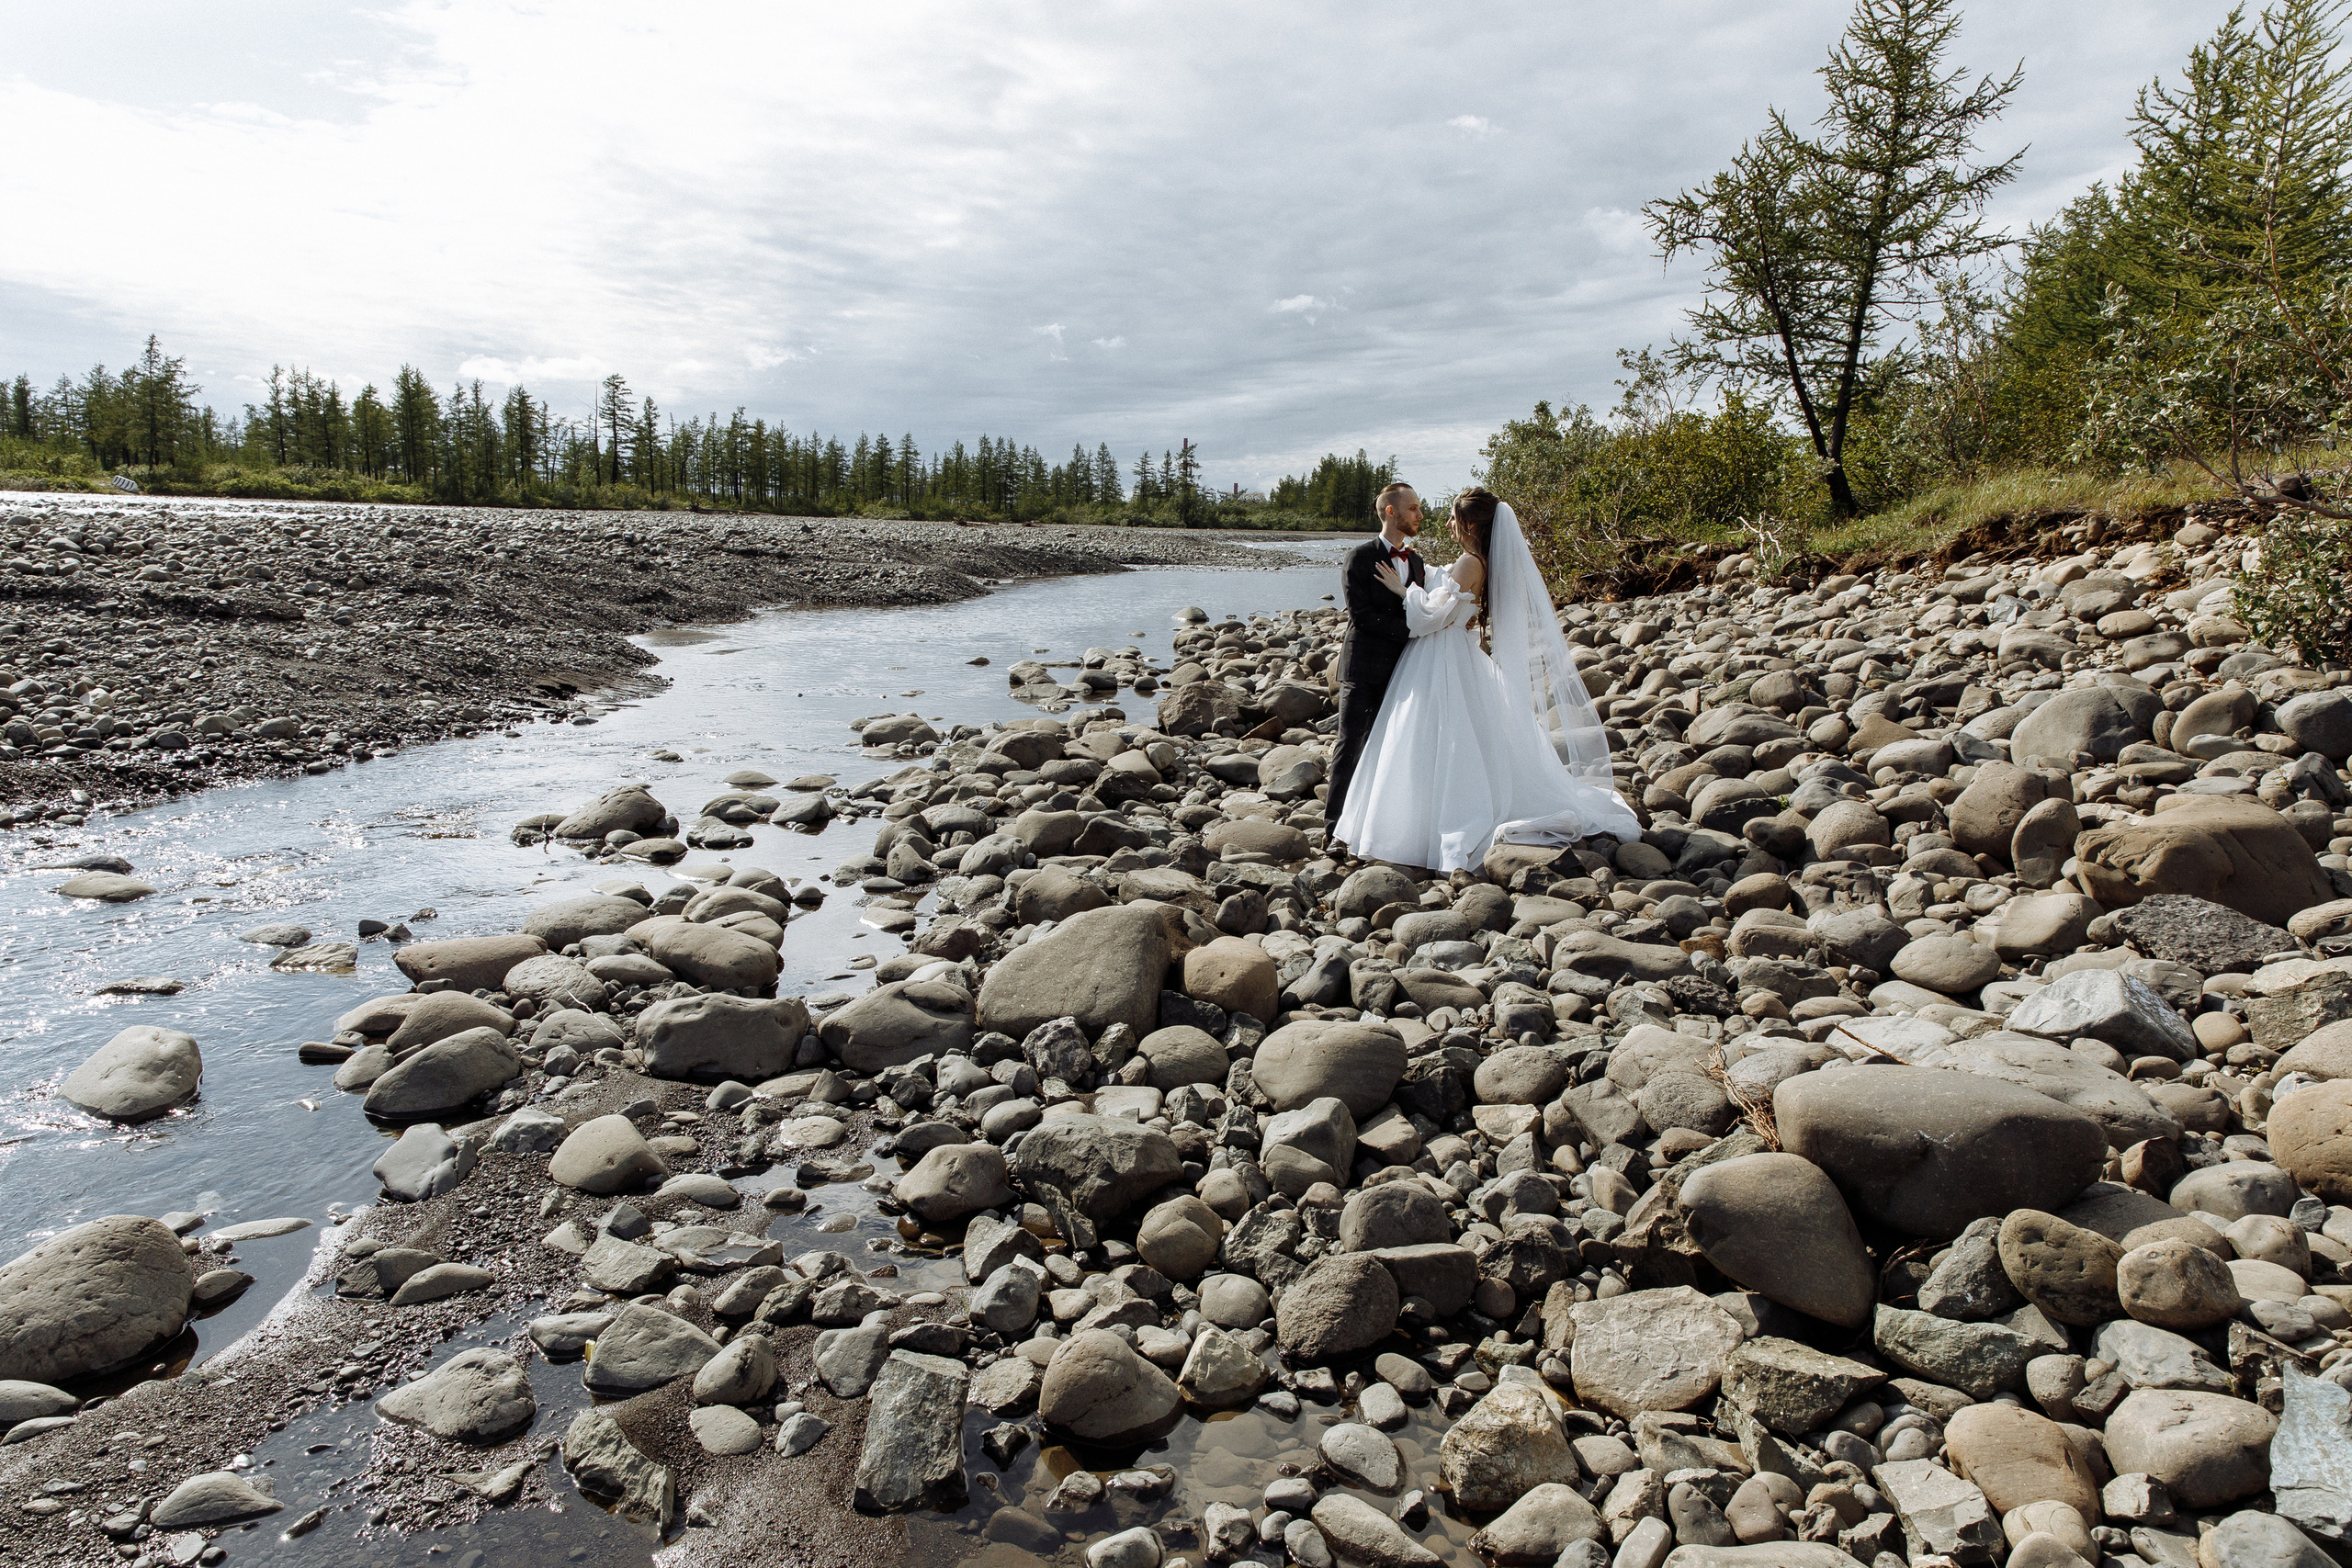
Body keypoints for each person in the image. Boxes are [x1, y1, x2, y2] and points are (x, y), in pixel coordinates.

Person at [1330, 487, 1638, 872]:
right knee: (1443, 737)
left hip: (1441, 657)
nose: (1444, 522)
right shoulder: (1474, 561)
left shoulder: (1469, 562)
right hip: (1441, 654)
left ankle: (1418, 825)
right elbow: (1449, 608)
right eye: (1416, 508)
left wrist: (1403, 589)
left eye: (1453, 517)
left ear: (1470, 524)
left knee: (1435, 740)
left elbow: (1432, 618)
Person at [1326, 480, 1426, 839]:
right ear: (1391, 512)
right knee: (1350, 745)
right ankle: (1334, 830)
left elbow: (1423, 607)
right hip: (1364, 667)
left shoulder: (1416, 561)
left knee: (1394, 747)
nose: (1419, 514)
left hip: (1405, 670)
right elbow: (1362, 615)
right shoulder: (1361, 556)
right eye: (1412, 508)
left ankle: (1380, 828)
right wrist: (1413, 629)